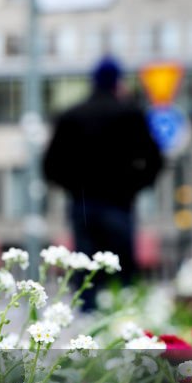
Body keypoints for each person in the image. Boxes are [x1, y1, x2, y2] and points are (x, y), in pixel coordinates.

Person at [43, 56, 163, 309]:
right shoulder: (130, 114)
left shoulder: (71, 115)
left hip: (83, 205)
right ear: (117, 81)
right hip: (120, 202)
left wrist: (74, 188)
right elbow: (155, 160)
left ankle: (87, 333)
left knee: (85, 270)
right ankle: (124, 325)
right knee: (123, 269)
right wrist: (135, 186)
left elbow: (50, 166)